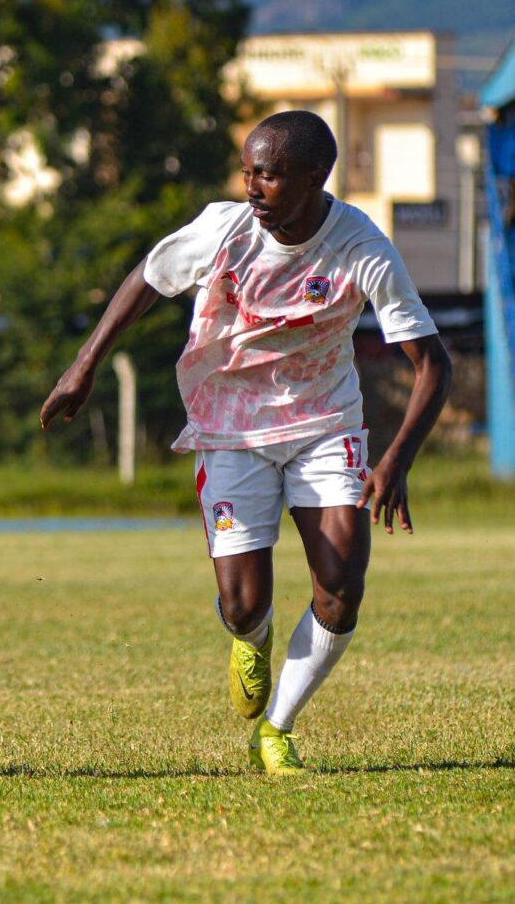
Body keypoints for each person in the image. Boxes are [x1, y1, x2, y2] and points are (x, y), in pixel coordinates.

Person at [40, 110, 451, 774]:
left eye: (270, 174)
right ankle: (247, 638)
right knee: (243, 603)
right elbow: (147, 276)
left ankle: (277, 729)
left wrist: (397, 458)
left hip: (324, 426)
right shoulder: (224, 229)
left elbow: (433, 364)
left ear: (315, 179)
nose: (253, 186)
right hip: (231, 428)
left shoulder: (362, 247)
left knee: (342, 583)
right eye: (248, 171)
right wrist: (82, 365)